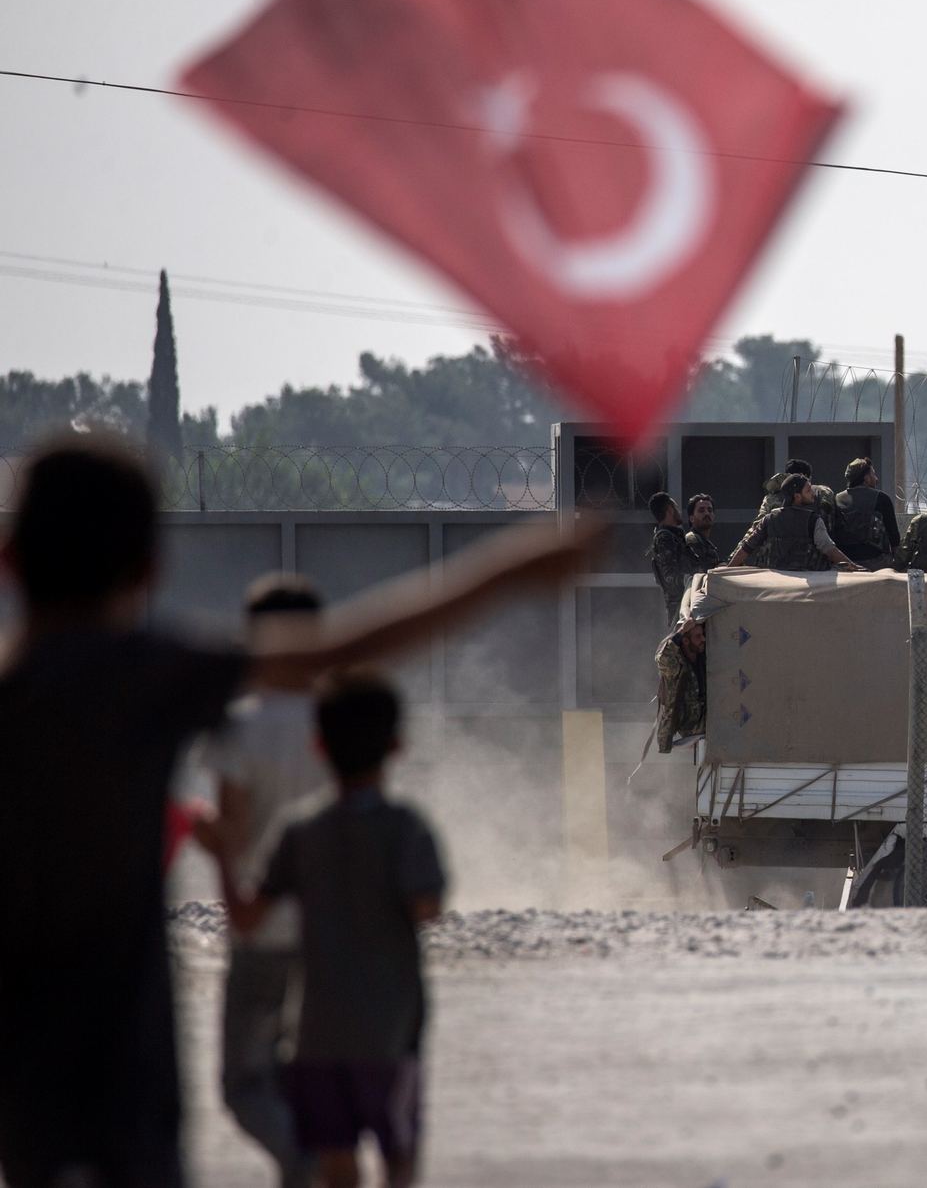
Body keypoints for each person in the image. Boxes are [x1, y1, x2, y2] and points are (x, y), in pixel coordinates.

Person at [0, 435, 592, 1188]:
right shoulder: (146, 675)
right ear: (150, 568)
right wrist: (513, 568)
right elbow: (334, 647)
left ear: (10, 559)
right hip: (133, 1077)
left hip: (26, 1075)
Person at [204, 668, 446, 1188]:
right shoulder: (406, 827)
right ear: (397, 746)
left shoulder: (300, 830)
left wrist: (221, 851)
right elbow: (427, 907)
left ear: (318, 746)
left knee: (335, 1167)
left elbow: (246, 916)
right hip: (391, 1031)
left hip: (316, 1036)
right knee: (399, 1160)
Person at [195, 574, 332, 1188]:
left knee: (245, 1083)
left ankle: (301, 1162)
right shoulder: (338, 721)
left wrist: (226, 886)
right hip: (332, 925)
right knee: (305, 1071)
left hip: (264, 924)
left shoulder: (243, 725)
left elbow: (233, 830)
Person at [727, 472, 866, 573]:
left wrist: (727, 570)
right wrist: (854, 567)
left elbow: (747, 548)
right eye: (808, 490)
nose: (812, 493)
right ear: (797, 496)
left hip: (775, 581)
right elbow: (829, 549)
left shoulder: (769, 519)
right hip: (807, 582)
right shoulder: (813, 520)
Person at [655, 615, 708, 755]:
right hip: (686, 729)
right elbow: (662, 657)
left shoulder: (704, 658)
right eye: (698, 636)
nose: (703, 639)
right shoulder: (676, 667)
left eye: (702, 635)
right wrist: (681, 631)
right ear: (685, 640)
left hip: (704, 728)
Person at [835, 457, 901, 569]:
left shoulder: (836, 499)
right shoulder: (881, 498)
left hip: (844, 561)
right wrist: (899, 563)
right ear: (866, 478)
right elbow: (894, 537)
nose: (876, 479)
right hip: (876, 560)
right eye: (873, 474)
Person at [647, 491, 693, 620]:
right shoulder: (665, 538)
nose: (678, 510)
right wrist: (693, 580)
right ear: (669, 509)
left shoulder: (675, 536)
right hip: (680, 608)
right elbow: (670, 578)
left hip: (687, 603)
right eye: (675, 507)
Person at [683, 492, 723, 574]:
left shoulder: (706, 544)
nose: (707, 513)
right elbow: (699, 571)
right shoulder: (692, 539)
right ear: (691, 518)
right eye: (701, 510)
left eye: (710, 510)